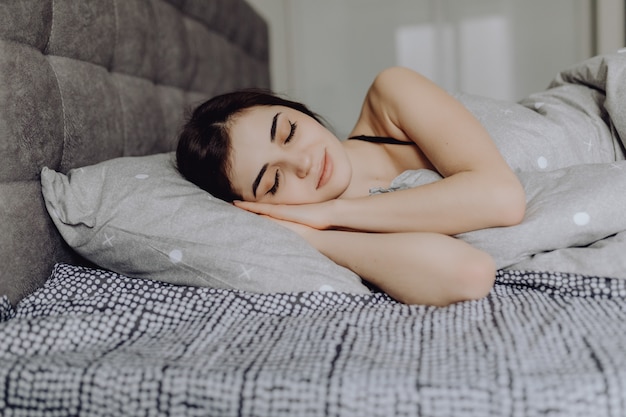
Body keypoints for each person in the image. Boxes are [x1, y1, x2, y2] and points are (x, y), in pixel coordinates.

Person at [176, 66, 526, 306]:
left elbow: (502, 198)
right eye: (274, 182)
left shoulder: (391, 95)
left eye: (290, 132)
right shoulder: (342, 233)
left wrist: (334, 210)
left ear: (298, 109)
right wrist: (312, 236)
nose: (304, 163)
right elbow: (469, 273)